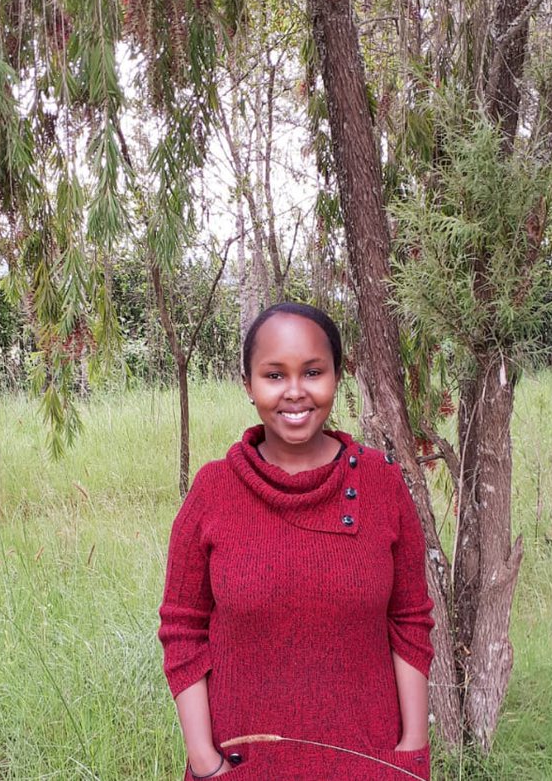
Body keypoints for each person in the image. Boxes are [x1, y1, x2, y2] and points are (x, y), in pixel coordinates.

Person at [158, 302, 435, 780]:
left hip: (370, 764)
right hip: (241, 767)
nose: (294, 391)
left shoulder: (382, 484)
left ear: (337, 377)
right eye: (273, 375)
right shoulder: (213, 491)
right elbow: (182, 629)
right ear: (248, 385)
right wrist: (205, 761)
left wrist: (412, 752)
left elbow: (409, 619)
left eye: (312, 372)